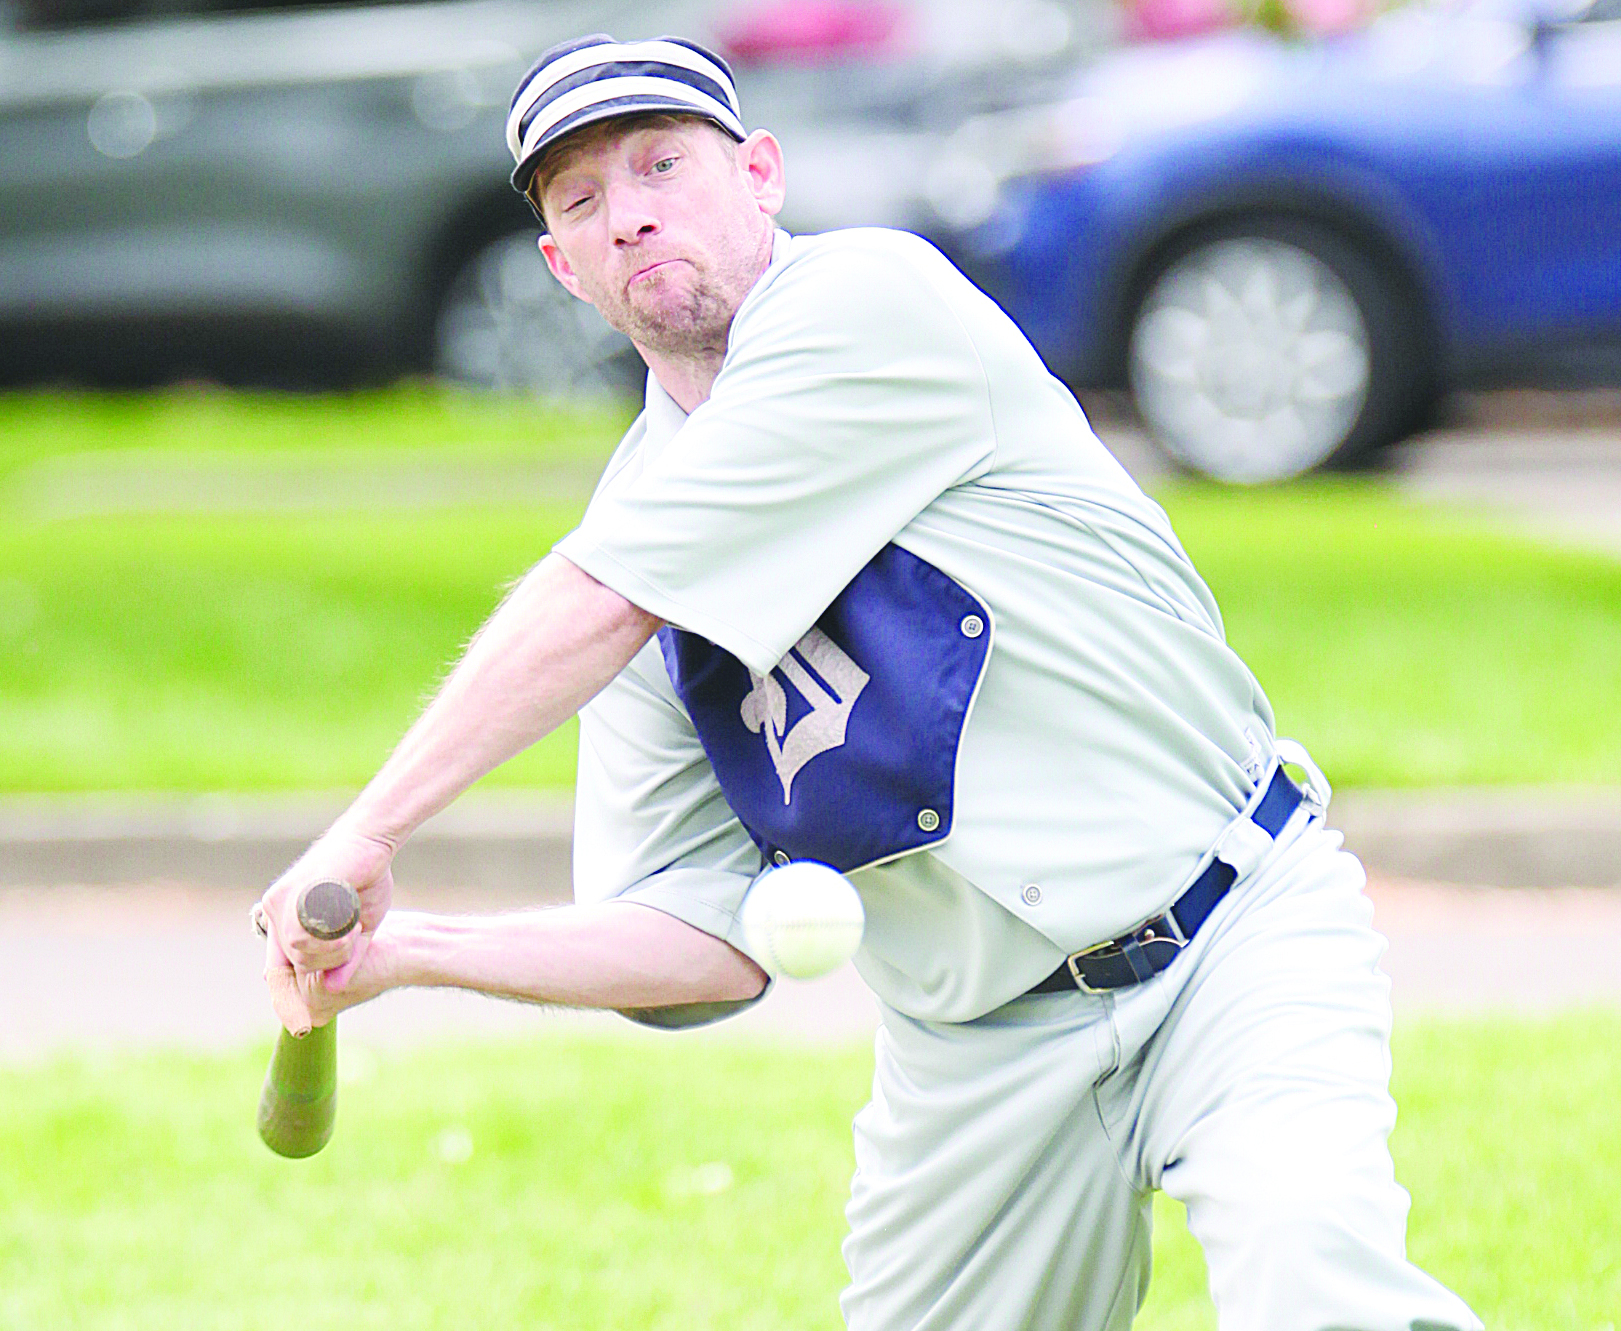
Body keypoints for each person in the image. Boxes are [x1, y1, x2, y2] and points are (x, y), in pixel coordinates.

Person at [256, 34, 1481, 1331]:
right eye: (582, 199)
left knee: (1312, 1273)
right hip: (978, 1049)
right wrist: (406, 951)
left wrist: (370, 824)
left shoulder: (870, 307)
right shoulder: (627, 561)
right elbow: (701, 944)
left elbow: (608, 597)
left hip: (1229, 928)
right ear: (561, 266)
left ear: (763, 175)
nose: (633, 212)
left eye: (663, 162)